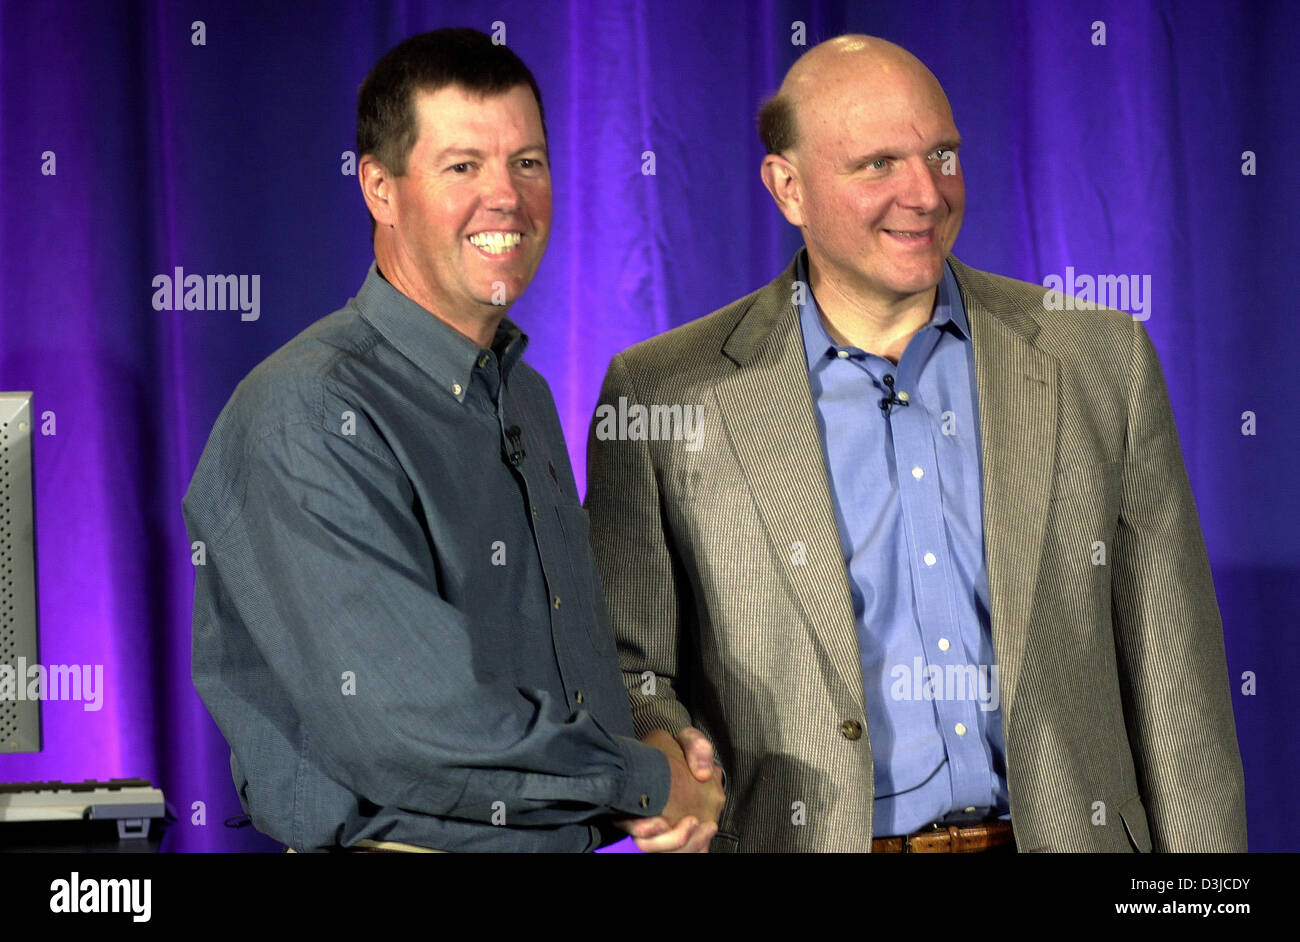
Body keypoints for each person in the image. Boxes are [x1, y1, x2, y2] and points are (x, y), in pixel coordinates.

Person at [584, 34, 1246, 852]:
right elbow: (627, 663)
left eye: (942, 154)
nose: (926, 193)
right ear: (788, 187)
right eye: (878, 165)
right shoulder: (660, 391)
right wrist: (662, 749)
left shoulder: (1099, 358)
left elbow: (1177, 683)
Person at [184, 28, 722, 853]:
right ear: (381, 189)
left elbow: (567, 668)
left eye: (528, 163)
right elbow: (408, 727)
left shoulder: (524, 395)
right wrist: (643, 779)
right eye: (463, 166)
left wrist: (658, 746)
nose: (505, 197)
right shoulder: (308, 409)